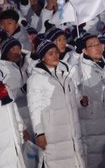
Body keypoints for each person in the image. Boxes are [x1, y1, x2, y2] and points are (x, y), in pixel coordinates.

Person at [27, 39, 86, 167]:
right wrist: (39, 132)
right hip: (52, 132)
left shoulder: (65, 74)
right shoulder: (36, 78)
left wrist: (81, 101)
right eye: (50, 53)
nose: (55, 55)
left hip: (71, 131)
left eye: (56, 52)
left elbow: (74, 98)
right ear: (42, 57)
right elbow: (34, 107)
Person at [75, 33, 105, 168]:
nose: (97, 48)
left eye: (98, 44)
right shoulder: (79, 67)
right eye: (92, 46)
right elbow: (72, 89)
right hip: (90, 125)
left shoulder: (104, 64)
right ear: (85, 50)